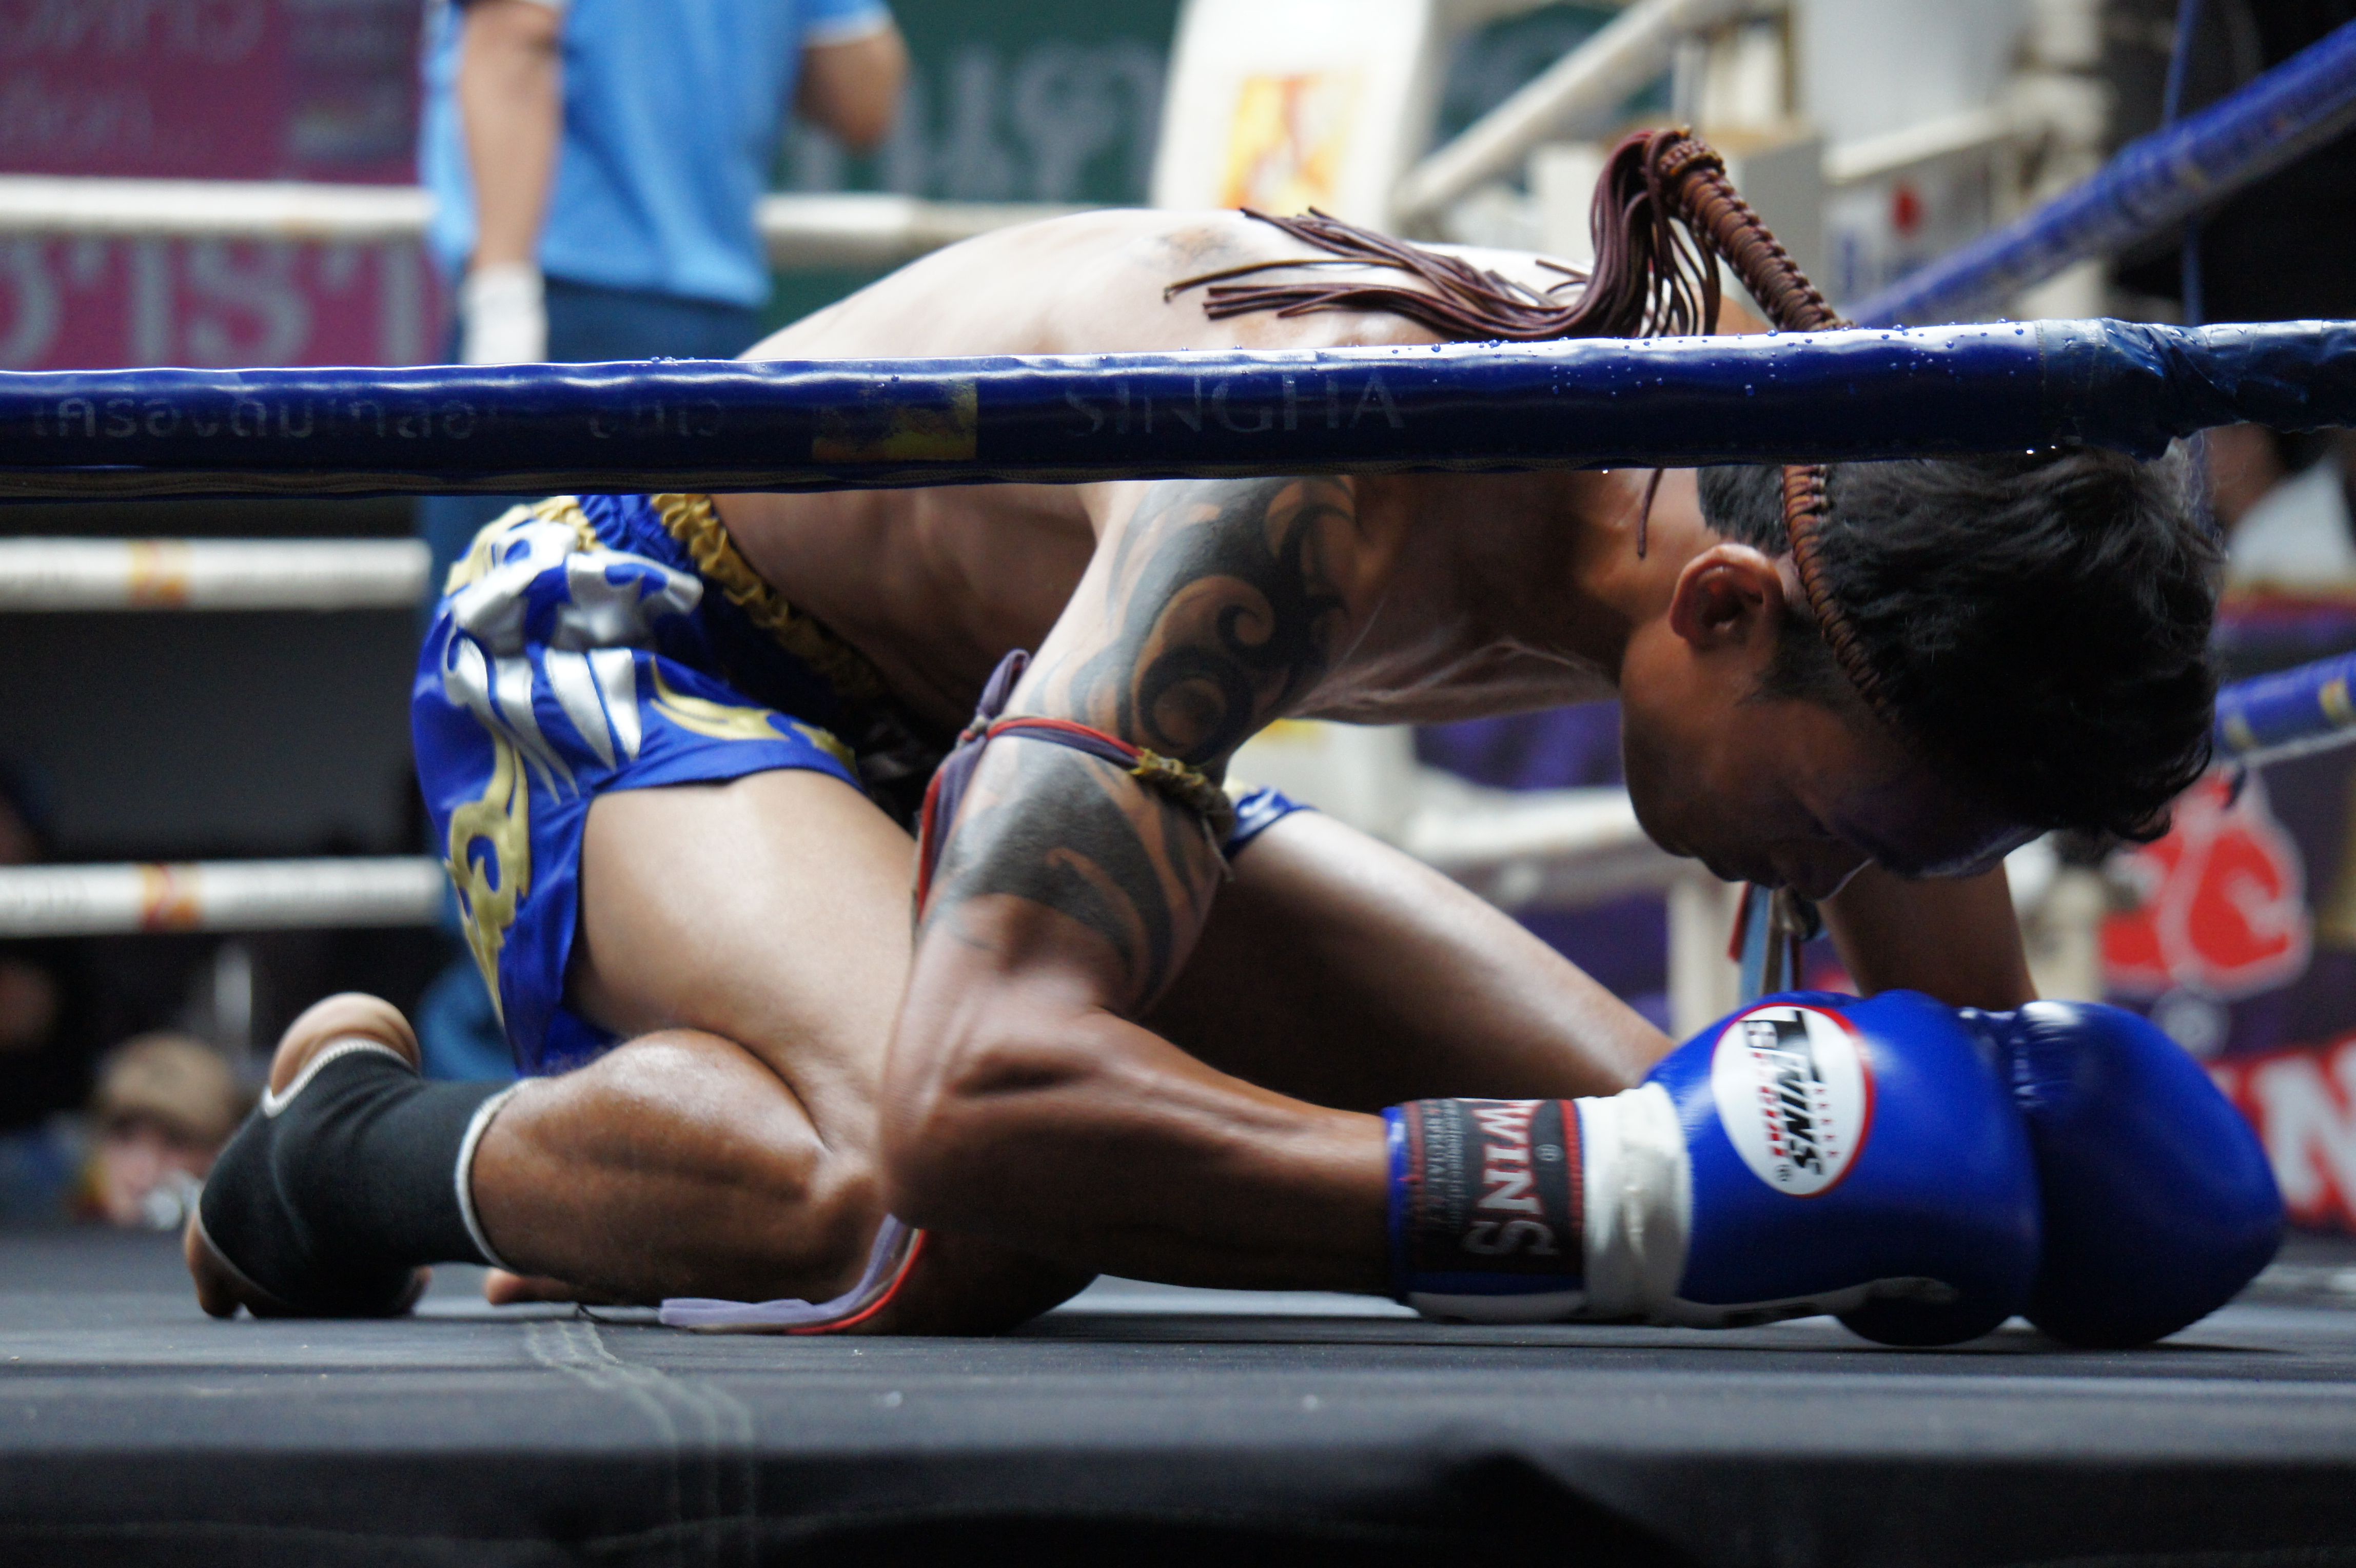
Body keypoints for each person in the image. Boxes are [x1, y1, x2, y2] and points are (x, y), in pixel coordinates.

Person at [188, 134, 2221, 1332]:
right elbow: (976, 1097)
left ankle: (662, 1138)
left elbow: (1925, 1010)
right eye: (1853, 829)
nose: (1838, 881)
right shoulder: (1316, 469)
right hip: (657, 630)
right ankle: (344, 1157)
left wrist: (2017, 1187)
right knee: (916, 1192)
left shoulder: (1835, 512)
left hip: (1002, 722)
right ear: (1719, 612)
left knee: (1700, 1131)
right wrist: (1592, 1200)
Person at [409, 0, 909, 1075]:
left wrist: (503, 309)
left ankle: (506, 1099)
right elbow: (865, 92)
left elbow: (518, 30)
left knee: (495, 720)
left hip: (555, 310)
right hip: (715, 334)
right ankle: (694, 1078)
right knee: (700, 707)